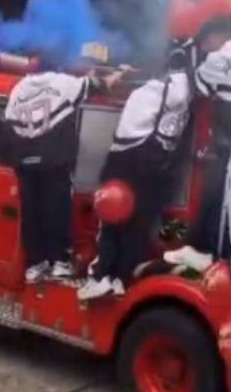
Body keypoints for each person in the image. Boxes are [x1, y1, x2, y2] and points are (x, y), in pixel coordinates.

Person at [78, 58, 194, 301]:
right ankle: (122, 279)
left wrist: (122, 74)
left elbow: (123, 132)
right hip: (158, 170)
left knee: (111, 220)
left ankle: (101, 279)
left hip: (126, 162)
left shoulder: (143, 93)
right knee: (138, 228)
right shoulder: (186, 94)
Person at [4, 62, 125, 283]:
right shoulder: (64, 82)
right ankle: (59, 262)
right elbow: (99, 85)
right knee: (57, 210)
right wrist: (118, 73)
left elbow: (9, 119)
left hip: (24, 161)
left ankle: (35, 265)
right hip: (54, 161)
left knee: (31, 214)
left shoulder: (19, 87)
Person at [166, 16, 231, 271]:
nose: (206, 47)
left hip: (227, 150)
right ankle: (202, 249)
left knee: (222, 205)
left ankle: (215, 259)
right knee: (213, 195)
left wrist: (184, 51)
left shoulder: (220, 58)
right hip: (223, 149)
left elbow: (197, 87)